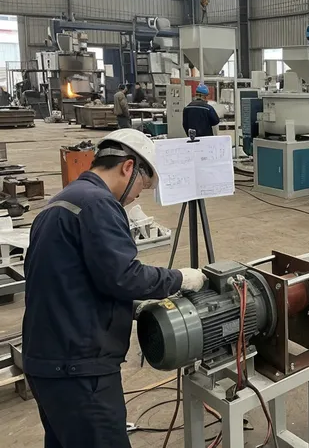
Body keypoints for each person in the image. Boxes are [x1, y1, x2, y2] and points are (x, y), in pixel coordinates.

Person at [22, 129, 207, 448]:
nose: (137, 196)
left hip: (45, 363)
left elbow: (72, 279)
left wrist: (131, 307)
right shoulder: (99, 204)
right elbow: (124, 276)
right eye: (142, 186)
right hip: (80, 370)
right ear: (128, 167)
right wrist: (180, 278)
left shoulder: (62, 201)